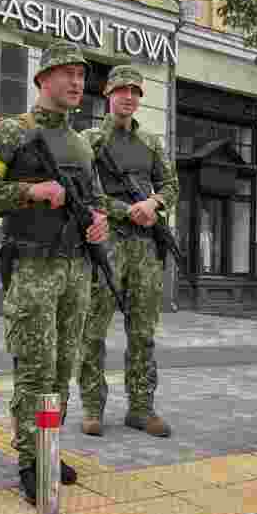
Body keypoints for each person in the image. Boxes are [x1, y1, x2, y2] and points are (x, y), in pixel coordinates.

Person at [0, 42, 109, 504]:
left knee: (64, 365)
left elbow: (95, 198)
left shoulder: (81, 143)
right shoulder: (12, 133)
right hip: (32, 265)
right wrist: (32, 192)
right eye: (66, 73)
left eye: (80, 76)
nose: (75, 83)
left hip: (76, 268)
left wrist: (100, 220)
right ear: (42, 79)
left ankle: (49, 444)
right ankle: (31, 458)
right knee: (35, 367)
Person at [77, 65, 179, 438]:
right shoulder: (90, 140)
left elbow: (171, 185)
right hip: (108, 243)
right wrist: (125, 211)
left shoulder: (150, 143)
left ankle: (141, 407)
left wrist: (154, 204)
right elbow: (85, 190)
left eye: (135, 91)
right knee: (94, 329)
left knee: (143, 332)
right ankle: (92, 407)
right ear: (108, 94)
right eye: (122, 90)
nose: (129, 97)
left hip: (145, 247)